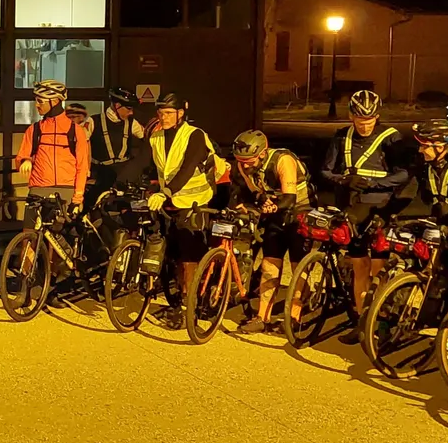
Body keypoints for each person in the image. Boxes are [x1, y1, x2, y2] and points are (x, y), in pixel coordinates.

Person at [317, 89, 408, 343]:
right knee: (359, 267)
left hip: (380, 209)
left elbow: (403, 174)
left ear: (377, 117)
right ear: (351, 116)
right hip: (352, 209)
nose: (365, 125)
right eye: (360, 119)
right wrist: (344, 180)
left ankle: (381, 323)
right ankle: (361, 322)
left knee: (379, 269)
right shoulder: (341, 137)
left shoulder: (391, 138)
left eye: (369, 120)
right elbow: (325, 171)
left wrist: (373, 184)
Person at [143, 94, 217, 328]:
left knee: (189, 258)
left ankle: (190, 307)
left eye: (168, 113)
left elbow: (187, 168)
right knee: (171, 255)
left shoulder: (194, 135)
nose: (163, 117)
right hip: (170, 201)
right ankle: (176, 302)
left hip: (195, 201)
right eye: (160, 113)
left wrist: (165, 192)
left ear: (180, 114)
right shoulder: (156, 137)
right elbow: (149, 166)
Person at [227, 130, 308, 334]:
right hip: (275, 212)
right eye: (241, 161)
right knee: (269, 266)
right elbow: (251, 191)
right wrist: (250, 203)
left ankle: (294, 317)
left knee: (298, 267)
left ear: (262, 153)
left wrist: (271, 206)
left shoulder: (283, 160)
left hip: (300, 211)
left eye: (249, 161)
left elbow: (289, 198)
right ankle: (262, 317)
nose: (245, 165)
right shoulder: (242, 164)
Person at [14, 80, 90, 204]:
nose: (36, 105)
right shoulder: (34, 129)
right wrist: (26, 160)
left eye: (40, 101)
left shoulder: (76, 131)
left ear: (54, 101)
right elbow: (20, 158)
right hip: (38, 189)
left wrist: (78, 196)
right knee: (31, 218)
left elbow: (82, 166)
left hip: (67, 190)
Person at [396, 119, 448, 219]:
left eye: (425, 146)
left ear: (439, 148)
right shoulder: (425, 166)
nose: (420, 150)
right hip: (435, 220)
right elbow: (412, 195)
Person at [88, 87, 144, 212]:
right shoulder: (93, 121)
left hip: (123, 175)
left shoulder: (132, 123)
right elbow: (79, 144)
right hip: (100, 174)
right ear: (117, 106)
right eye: (128, 109)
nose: (131, 113)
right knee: (92, 208)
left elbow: (148, 139)